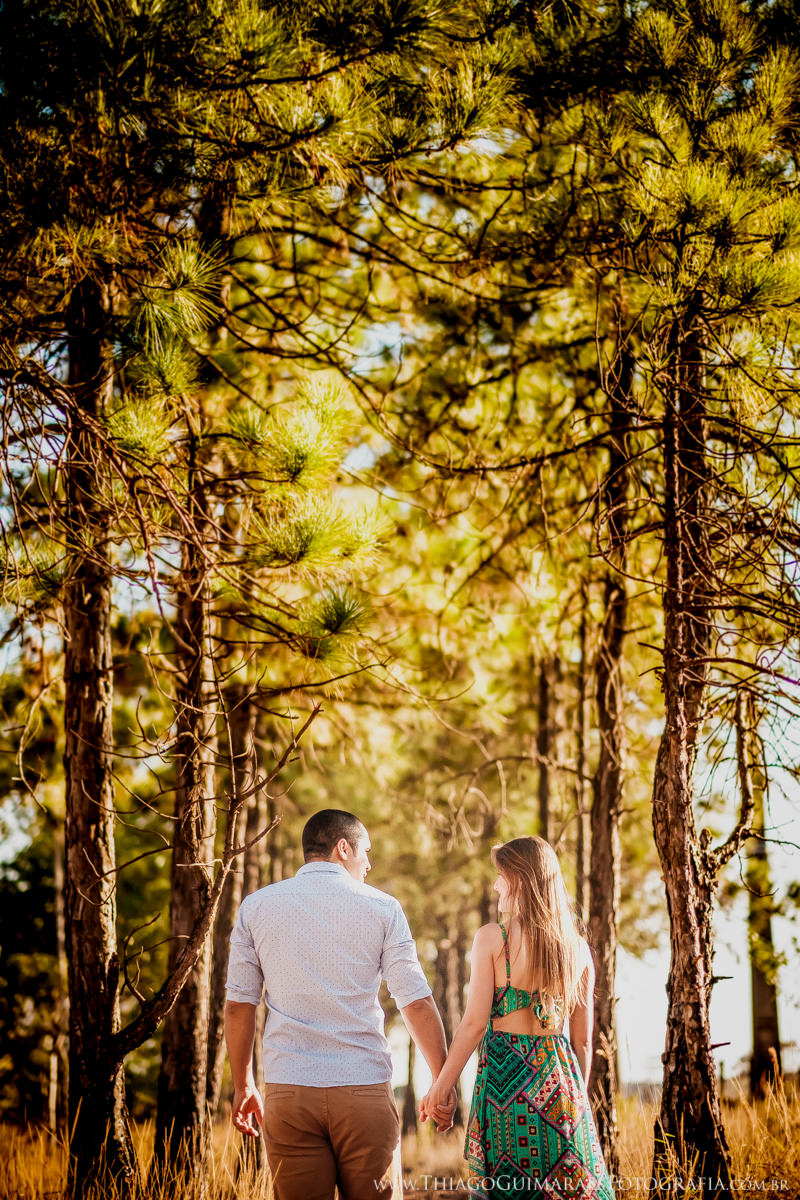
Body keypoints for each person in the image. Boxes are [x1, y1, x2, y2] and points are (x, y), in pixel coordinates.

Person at [224, 808, 455, 1200]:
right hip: (363, 1090)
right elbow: (414, 1001)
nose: (370, 863)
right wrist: (441, 1079)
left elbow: (239, 1005)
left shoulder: (256, 907)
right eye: (366, 851)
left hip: (289, 1090)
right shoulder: (383, 908)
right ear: (343, 847)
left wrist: (243, 1083)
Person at [420, 835, 615, 1200]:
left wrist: (441, 1087)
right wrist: (576, 1101)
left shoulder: (493, 939)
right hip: (562, 1090)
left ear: (521, 879)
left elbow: (475, 1024)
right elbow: (583, 1042)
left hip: (506, 1092)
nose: (495, 884)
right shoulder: (577, 949)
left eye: (501, 875)